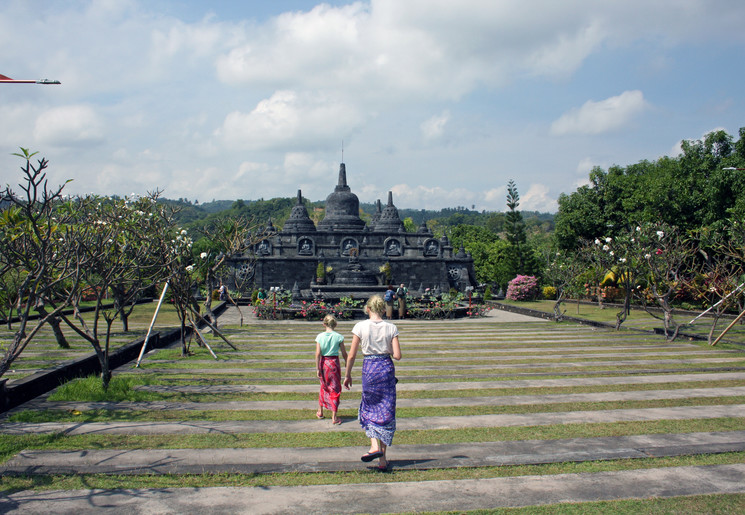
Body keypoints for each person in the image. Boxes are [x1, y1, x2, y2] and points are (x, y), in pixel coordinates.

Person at [344, 295, 402, 471]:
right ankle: (383, 459)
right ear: (383, 309)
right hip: (385, 367)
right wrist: (386, 347)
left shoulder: (360, 326)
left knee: (369, 406)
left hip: (369, 368)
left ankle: (374, 446)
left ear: (368, 309)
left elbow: (352, 355)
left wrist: (347, 375)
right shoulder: (391, 327)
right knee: (385, 409)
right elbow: (397, 355)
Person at [315, 314, 348, 424]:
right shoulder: (339, 337)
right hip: (334, 363)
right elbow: (344, 353)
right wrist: (347, 364)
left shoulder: (320, 337)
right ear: (335, 324)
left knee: (323, 386)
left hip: (324, 363)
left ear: (324, 324)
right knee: (335, 388)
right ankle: (334, 416)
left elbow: (318, 354)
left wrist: (317, 368)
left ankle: (320, 411)